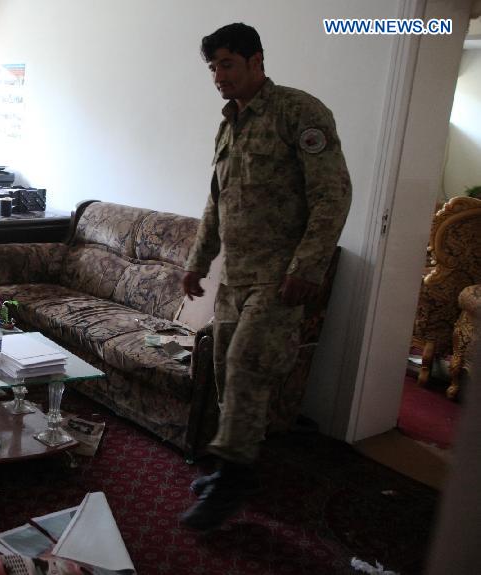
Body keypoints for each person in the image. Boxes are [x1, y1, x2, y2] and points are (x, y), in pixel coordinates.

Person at [179, 23, 352, 530]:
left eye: (227, 64)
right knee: (226, 372)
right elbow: (218, 201)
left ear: (257, 61)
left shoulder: (299, 112)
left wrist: (307, 267)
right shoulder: (229, 124)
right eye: (212, 67)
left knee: (247, 362)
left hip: (279, 276)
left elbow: (332, 195)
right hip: (236, 275)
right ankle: (236, 466)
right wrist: (197, 261)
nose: (218, 76)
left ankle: (232, 483)